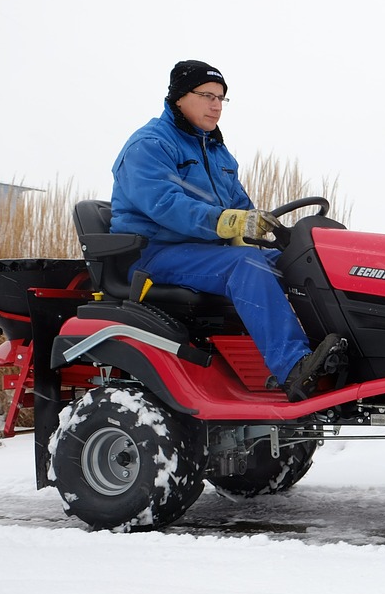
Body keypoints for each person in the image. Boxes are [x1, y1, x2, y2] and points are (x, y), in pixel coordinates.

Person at [109, 59, 342, 401]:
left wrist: (265, 229)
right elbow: (164, 204)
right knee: (245, 266)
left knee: (298, 263)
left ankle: (336, 351)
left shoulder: (216, 151)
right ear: (178, 98)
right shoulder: (149, 145)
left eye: (221, 98)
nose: (216, 105)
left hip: (206, 252)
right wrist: (224, 223)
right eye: (207, 95)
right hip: (155, 252)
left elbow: (239, 206)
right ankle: (294, 367)